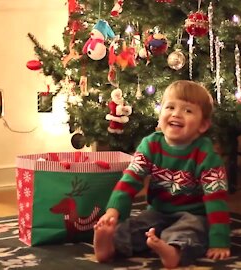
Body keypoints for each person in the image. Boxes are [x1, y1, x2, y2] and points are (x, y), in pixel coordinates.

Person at [94, 80, 230, 268]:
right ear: (160, 114)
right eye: (170, 107)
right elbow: (130, 180)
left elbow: (216, 198)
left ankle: (173, 252)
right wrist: (113, 211)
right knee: (135, 226)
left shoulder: (207, 155)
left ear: (203, 125)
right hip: (158, 211)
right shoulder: (150, 145)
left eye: (188, 110)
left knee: (190, 232)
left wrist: (220, 240)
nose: (176, 114)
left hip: (193, 214)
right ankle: (109, 246)